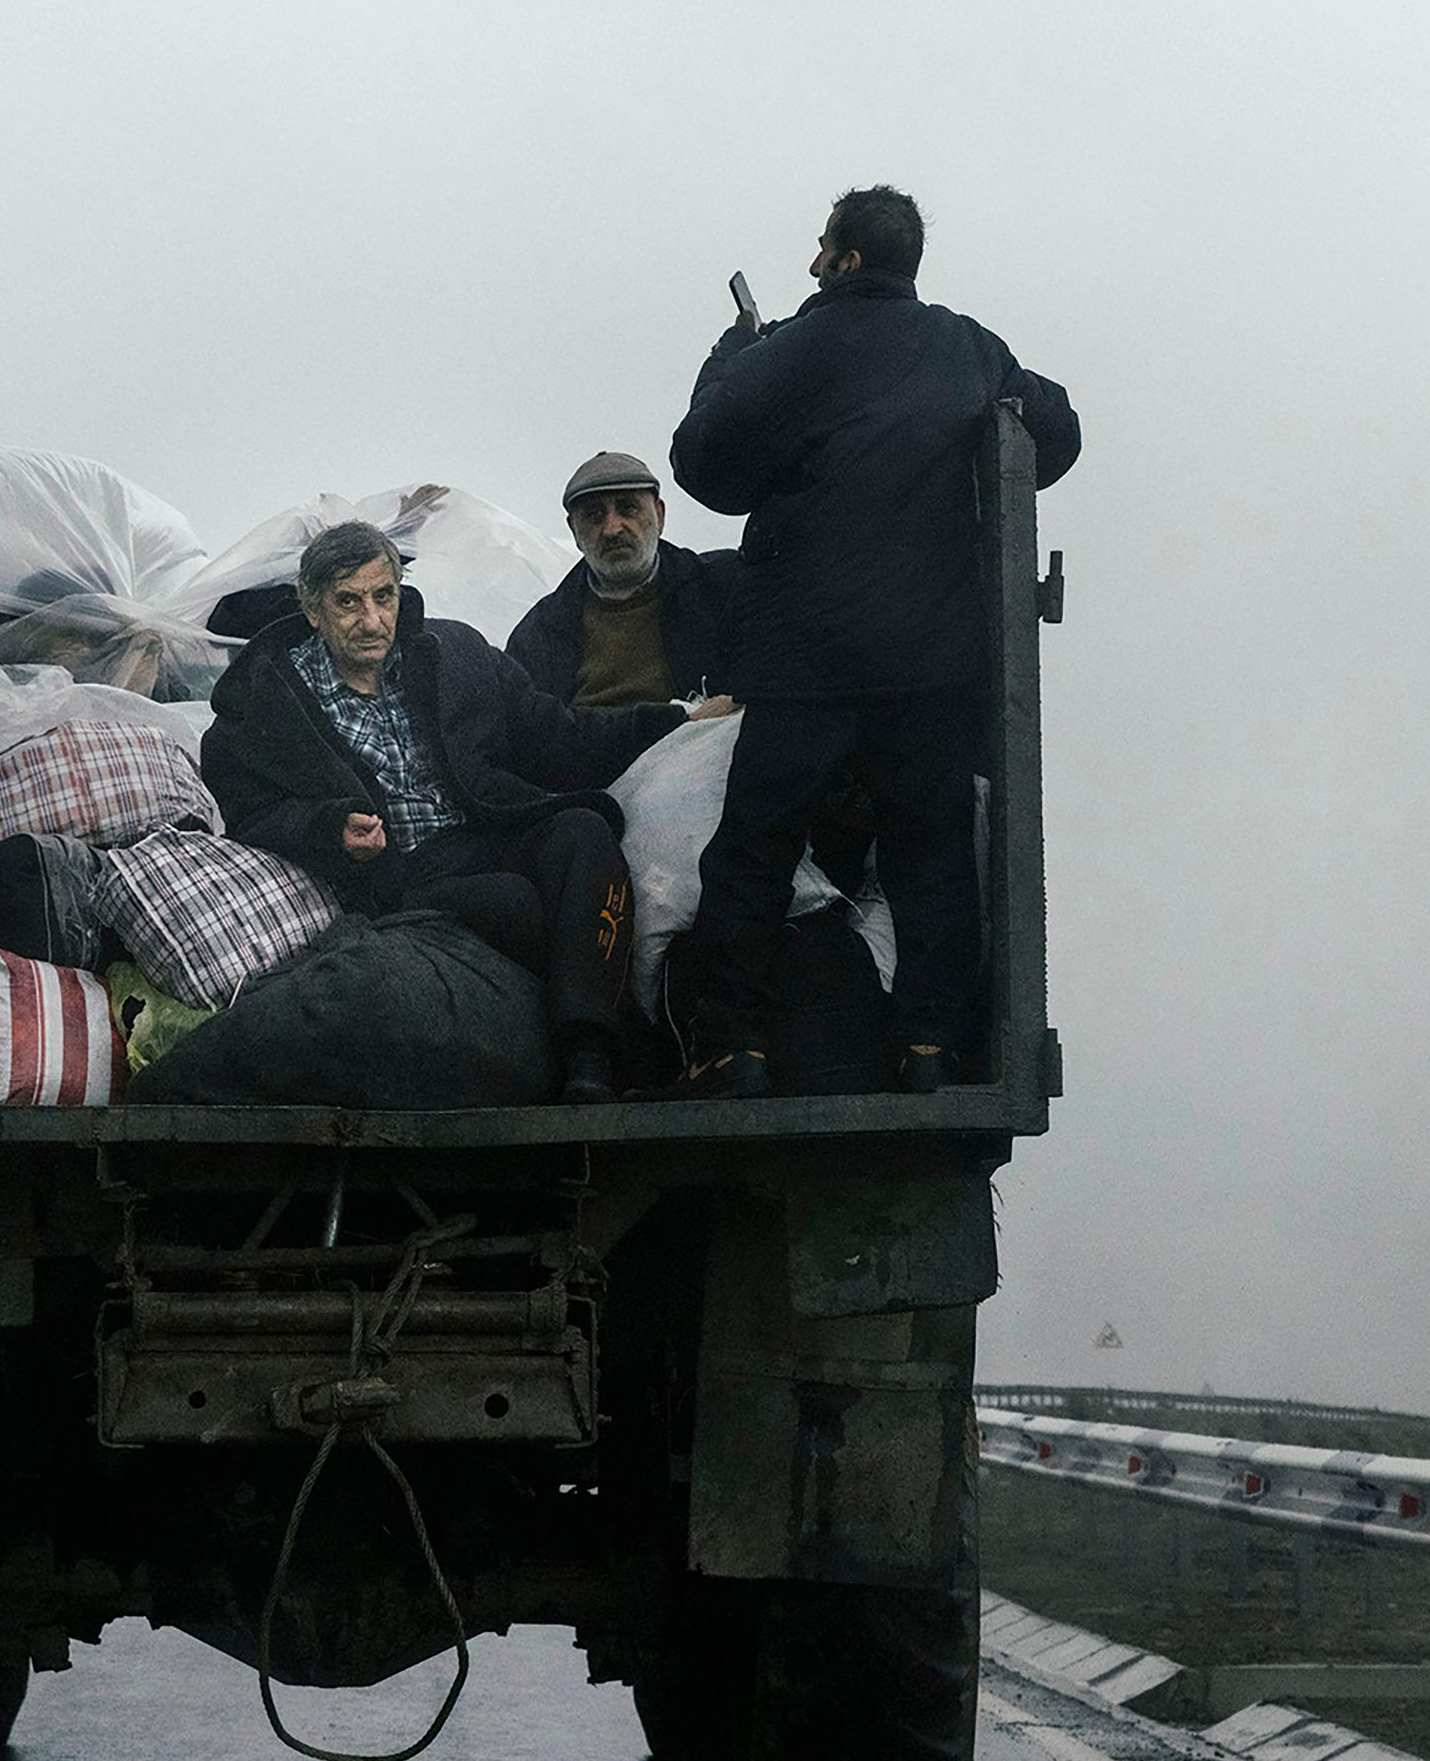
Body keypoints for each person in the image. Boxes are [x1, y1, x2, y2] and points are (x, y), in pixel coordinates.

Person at [667, 184, 1080, 1097]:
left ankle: (732, 1046)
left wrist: (731, 352)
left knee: (755, 852)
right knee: (928, 855)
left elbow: (701, 458)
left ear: (847, 258)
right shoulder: (970, 347)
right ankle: (928, 1046)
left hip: (802, 663)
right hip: (929, 666)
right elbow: (1056, 431)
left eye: (822, 247)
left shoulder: (788, 349)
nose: (813, 263)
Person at [203, 520, 733, 1102]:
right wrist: (327, 828)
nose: (372, 620)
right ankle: (620, 1058)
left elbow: (555, 732)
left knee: (583, 831)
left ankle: (589, 1057)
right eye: (348, 603)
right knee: (511, 903)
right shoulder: (264, 706)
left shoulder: (454, 654)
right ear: (311, 608)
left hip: (491, 828)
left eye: (384, 597)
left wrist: (675, 720)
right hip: (406, 871)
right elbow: (250, 812)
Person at [504, 451, 741, 709]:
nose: (612, 529)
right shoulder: (540, 635)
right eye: (594, 516)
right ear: (574, 531)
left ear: (659, 515)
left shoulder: (724, 586)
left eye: (628, 508)